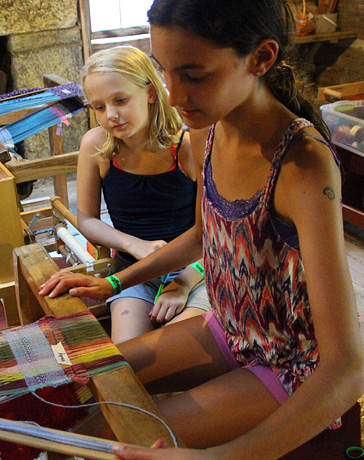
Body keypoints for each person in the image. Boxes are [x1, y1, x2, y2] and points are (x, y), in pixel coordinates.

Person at [39, 0, 364, 458]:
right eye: (164, 71)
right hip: (231, 329)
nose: (172, 95)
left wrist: (215, 458)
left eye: (192, 76)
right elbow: (200, 234)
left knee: (107, 435)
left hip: (293, 362)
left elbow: (348, 367)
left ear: (261, 58)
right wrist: (112, 281)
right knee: (80, 385)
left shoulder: (301, 164)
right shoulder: (207, 130)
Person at [41, 45, 210, 344]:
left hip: (198, 270)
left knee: (173, 355)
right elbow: (87, 219)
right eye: (100, 107)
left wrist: (184, 282)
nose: (112, 116)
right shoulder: (96, 145)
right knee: (131, 359)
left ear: (150, 93)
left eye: (120, 100)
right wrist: (136, 245)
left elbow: (213, 231)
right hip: (132, 270)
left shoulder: (187, 145)